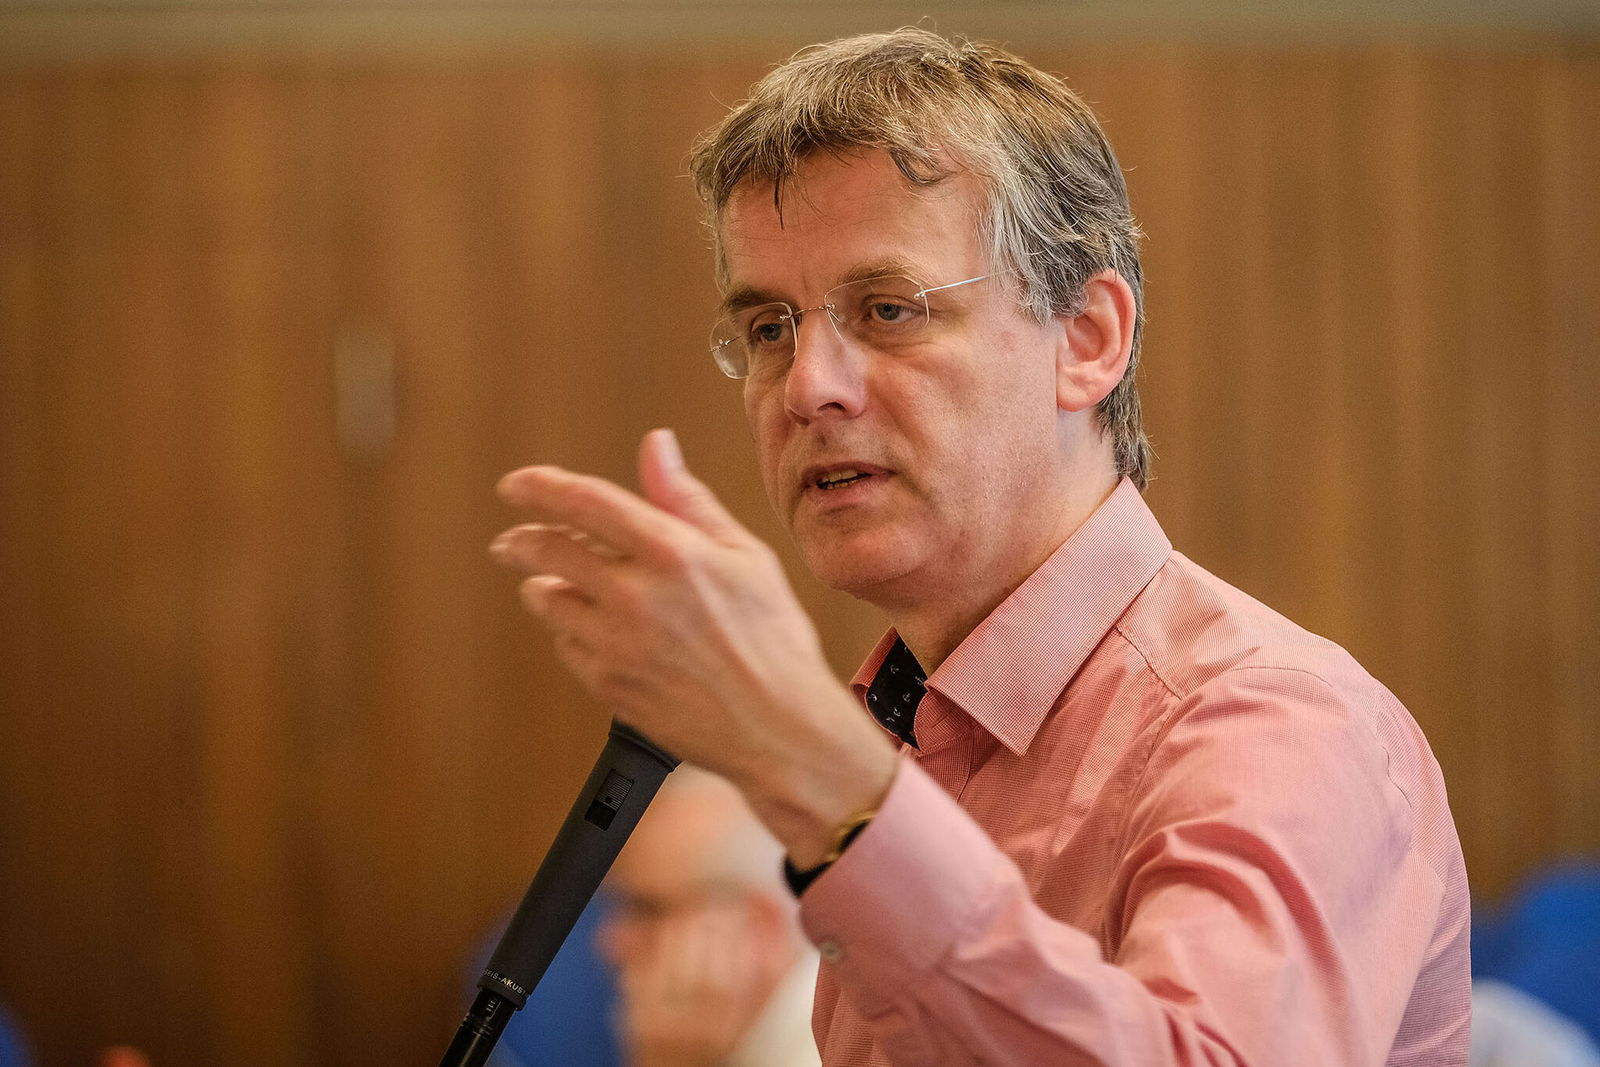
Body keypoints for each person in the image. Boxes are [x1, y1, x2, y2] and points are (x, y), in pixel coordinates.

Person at [489, 27, 1471, 1066]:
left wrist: (818, 766)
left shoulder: (1275, 722)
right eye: (770, 327)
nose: (809, 385)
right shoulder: (904, 730)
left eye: (887, 309)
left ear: (1087, 337)